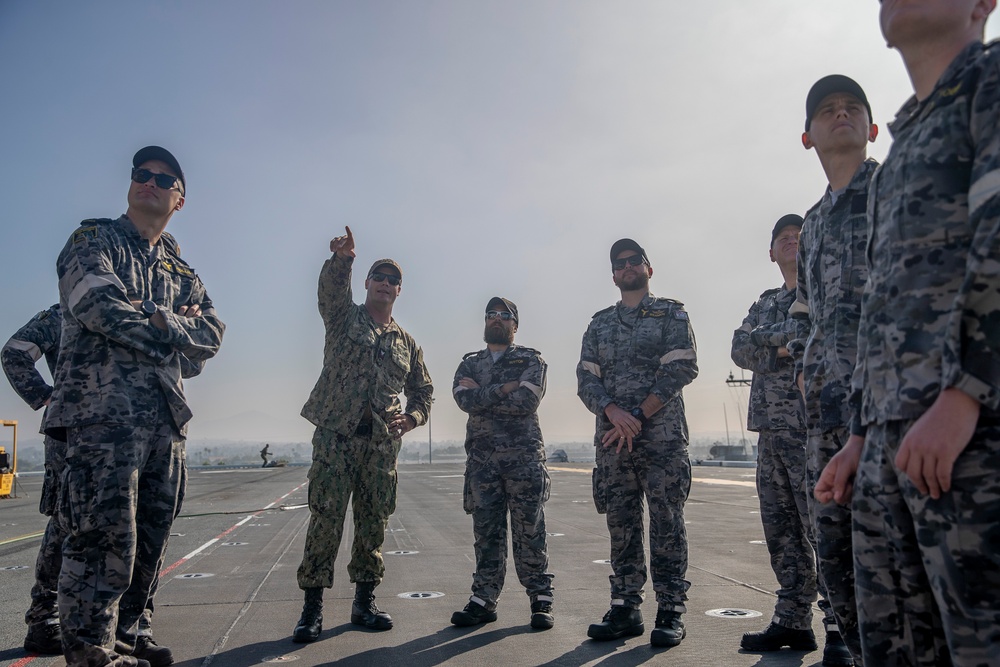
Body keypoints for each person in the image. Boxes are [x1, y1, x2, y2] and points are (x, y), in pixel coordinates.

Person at [817, 2, 1000, 664]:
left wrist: (966, 395)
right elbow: (879, 310)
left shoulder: (989, 84)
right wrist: (860, 435)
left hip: (971, 444)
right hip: (891, 452)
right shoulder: (895, 160)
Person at [42, 146, 225, 667]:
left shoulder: (178, 268)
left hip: (165, 424)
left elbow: (212, 334)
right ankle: (91, 654)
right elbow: (100, 307)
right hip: (102, 420)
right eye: (141, 174)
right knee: (101, 540)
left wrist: (160, 318)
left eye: (162, 178)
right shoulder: (92, 241)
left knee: (150, 538)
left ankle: (130, 632)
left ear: (179, 199)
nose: (149, 182)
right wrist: (171, 329)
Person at [4, 305, 190, 663]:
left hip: (141, 436)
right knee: (69, 525)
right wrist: (49, 396)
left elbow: (188, 364)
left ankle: (132, 628)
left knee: (138, 533)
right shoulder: (67, 312)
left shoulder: (145, 312)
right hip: (76, 437)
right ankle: (45, 619)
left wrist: (175, 325)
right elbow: (15, 352)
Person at [293, 226, 433, 643]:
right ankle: (312, 608)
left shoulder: (406, 343)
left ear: (398, 291)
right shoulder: (343, 317)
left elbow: (423, 390)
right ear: (368, 283)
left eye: (393, 280)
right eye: (380, 277)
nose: (386, 284)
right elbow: (330, 291)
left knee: (373, 522)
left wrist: (413, 419)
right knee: (326, 521)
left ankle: (364, 602)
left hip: (381, 446)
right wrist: (343, 262)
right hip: (336, 438)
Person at [786, 74, 878, 667]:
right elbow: (811, 311)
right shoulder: (814, 223)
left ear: (872, 128)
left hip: (893, 414)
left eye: (852, 108)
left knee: (899, 576)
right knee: (838, 571)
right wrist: (805, 367)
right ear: (807, 137)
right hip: (827, 420)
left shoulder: (899, 190)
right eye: (827, 109)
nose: (839, 114)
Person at [732, 216, 849, 664]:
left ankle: (839, 624)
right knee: (782, 531)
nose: (791, 239)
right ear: (771, 253)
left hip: (816, 428)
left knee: (824, 527)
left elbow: (823, 335)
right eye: (782, 237)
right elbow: (740, 348)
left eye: (798, 235)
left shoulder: (824, 289)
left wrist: (776, 345)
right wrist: (791, 341)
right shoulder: (764, 303)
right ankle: (793, 620)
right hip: (771, 432)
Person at [577, 238, 698, 648]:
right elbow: (586, 379)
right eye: (620, 264)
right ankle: (626, 606)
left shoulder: (670, 313)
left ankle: (670, 610)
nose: (627, 268)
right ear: (613, 275)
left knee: (667, 522)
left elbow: (682, 366)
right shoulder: (598, 324)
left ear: (649, 268)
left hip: (662, 440)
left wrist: (638, 415)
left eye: (634, 261)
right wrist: (614, 412)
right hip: (613, 441)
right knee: (622, 525)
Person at [450, 297, 554, 630]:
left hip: (523, 461)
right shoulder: (469, 364)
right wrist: (503, 388)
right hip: (483, 463)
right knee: (486, 533)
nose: (497, 319)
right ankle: (483, 599)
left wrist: (485, 393)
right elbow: (464, 400)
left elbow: (526, 401)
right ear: (485, 322)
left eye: (505, 316)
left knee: (530, 530)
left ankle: (540, 599)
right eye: (491, 315)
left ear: (515, 325)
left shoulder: (530, 359)